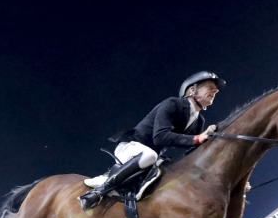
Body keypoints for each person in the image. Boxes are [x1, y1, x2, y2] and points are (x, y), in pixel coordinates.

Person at [79, 71, 225, 210]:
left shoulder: (199, 121)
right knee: (150, 155)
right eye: (210, 88)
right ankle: (99, 191)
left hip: (152, 158)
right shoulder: (172, 104)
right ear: (192, 90)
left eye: (216, 90)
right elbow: (160, 136)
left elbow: (194, 150)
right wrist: (198, 138)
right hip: (130, 147)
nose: (215, 92)